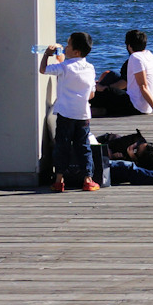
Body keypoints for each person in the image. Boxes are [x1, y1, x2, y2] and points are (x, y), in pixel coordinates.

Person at [41, 31, 99, 192]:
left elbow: (43, 69)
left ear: (76, 52)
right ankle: (88, 179)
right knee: (83, 146)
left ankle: (59, 180)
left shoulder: (64, 67)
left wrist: (47, 54)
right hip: (83, 114)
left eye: (68, 45)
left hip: (65, 114)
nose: (65, 47)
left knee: (62, 146)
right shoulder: (90, 67)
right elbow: (92, 94)